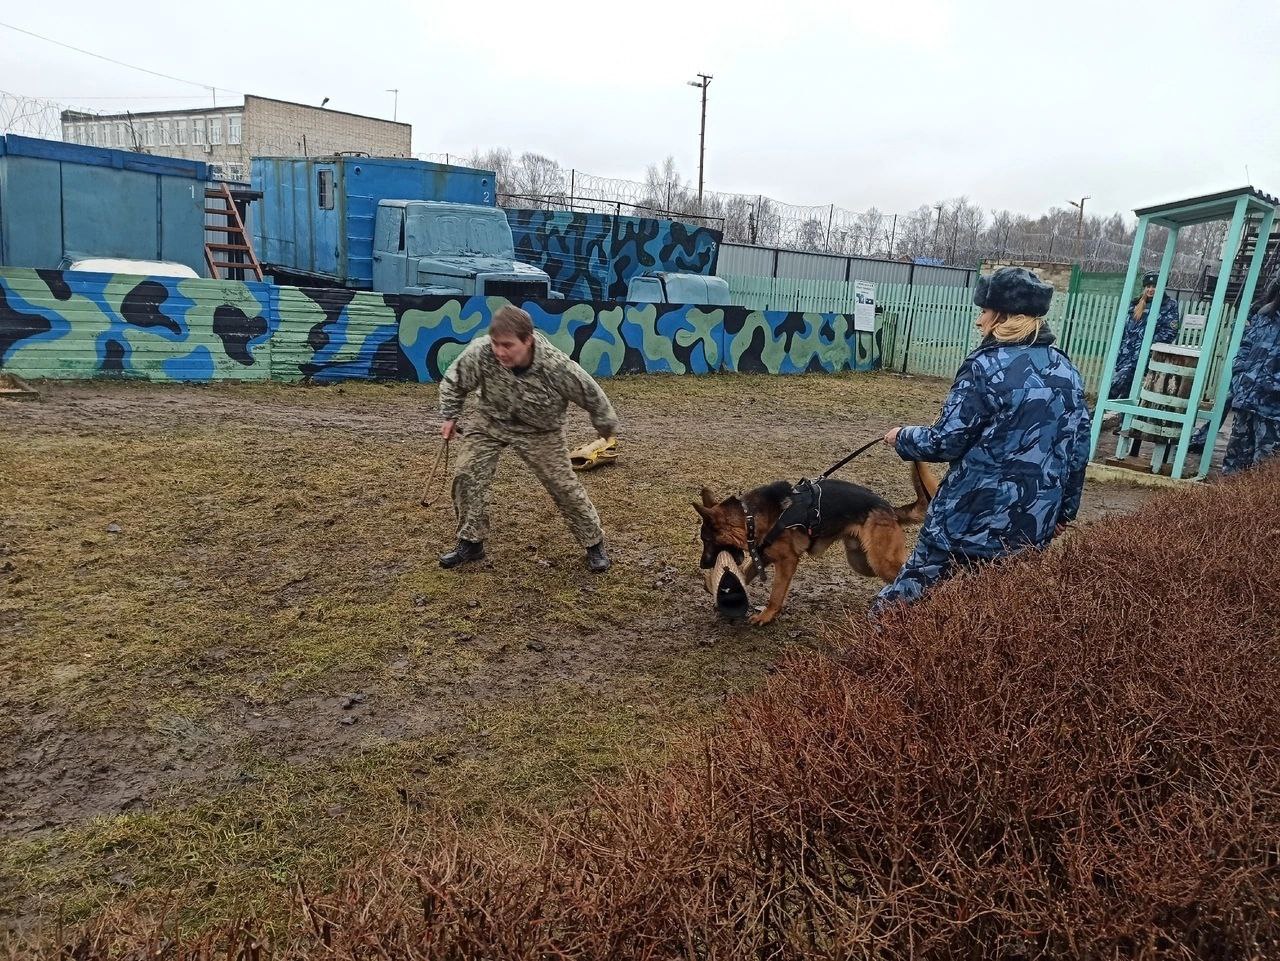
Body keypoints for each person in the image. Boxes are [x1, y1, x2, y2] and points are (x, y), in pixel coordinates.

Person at [872, 267, 1091, 613]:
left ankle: (872, 660)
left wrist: (903, 436)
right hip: (1033, 521)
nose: (979, 320)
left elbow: (946, 442)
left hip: (968, 518)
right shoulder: (1067, 370)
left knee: (907, 601)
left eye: (984, 311)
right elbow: (1078, 450)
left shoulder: (985, 366)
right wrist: (1064, 512)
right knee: (994, 612)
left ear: (1002, 316)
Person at [437, 305, 619, 573]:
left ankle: (594, 543)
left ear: (528, 340)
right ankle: (471, 541)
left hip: (540, 431)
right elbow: (454, 381)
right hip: (490, 422)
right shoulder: (481, 351)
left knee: (564, 487)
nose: (500, 351)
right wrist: (450, 416)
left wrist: (606, 427)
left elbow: (591, 394)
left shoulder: (556, 366)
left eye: (508, 345)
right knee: (466, 474)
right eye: (496, 344)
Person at [1218, 272, 1280, 474]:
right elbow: (1245, 347)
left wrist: (1272, 386)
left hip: (1272, 412)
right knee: (1234, 466)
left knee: (1265, 471)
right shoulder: (1264, 316)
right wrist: (1240, 375)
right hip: (1247, 402)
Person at [1108, 270, 1181, 403]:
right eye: (1148, 286)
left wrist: (1147, 345)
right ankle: (1123, 421)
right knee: (1127, 393)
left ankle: (1094, 414)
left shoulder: (1168, 305)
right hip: (1126, 355)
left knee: (1116, 384)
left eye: (1154, 286)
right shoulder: (1135, 304)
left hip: (1145, 357)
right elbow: (1124, 330)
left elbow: (1170, 331)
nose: (1151, 289)